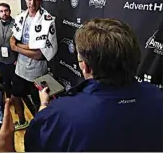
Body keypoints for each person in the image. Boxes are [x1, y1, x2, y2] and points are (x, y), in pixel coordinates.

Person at [24, 18, 163, 151]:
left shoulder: (57, 116)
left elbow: (36, 144)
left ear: (85, 66)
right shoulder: (158, 97)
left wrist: (44, 106)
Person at [10, 0, 58, 130]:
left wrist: (18, 47)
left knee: (40, 103)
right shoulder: (20, 17)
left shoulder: (47, 20)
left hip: (37, 73)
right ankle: (22, 120)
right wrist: (28, 46)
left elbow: (40, 55)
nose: (32, 3)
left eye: (36, 0)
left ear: (41, 0)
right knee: (14, 96)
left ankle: (38, 128)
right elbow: (13, 40)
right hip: (20, 69)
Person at [0, 3, 16, 98]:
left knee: (15, 83)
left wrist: (18, 59)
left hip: (14, 60)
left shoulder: (16, 23)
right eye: (1, 11)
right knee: (5, 82)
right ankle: (8, 99)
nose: (4, 13)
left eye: (6, 10)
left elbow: (20, 42)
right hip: (1, 60)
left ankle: (16, 100)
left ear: (10, 11)